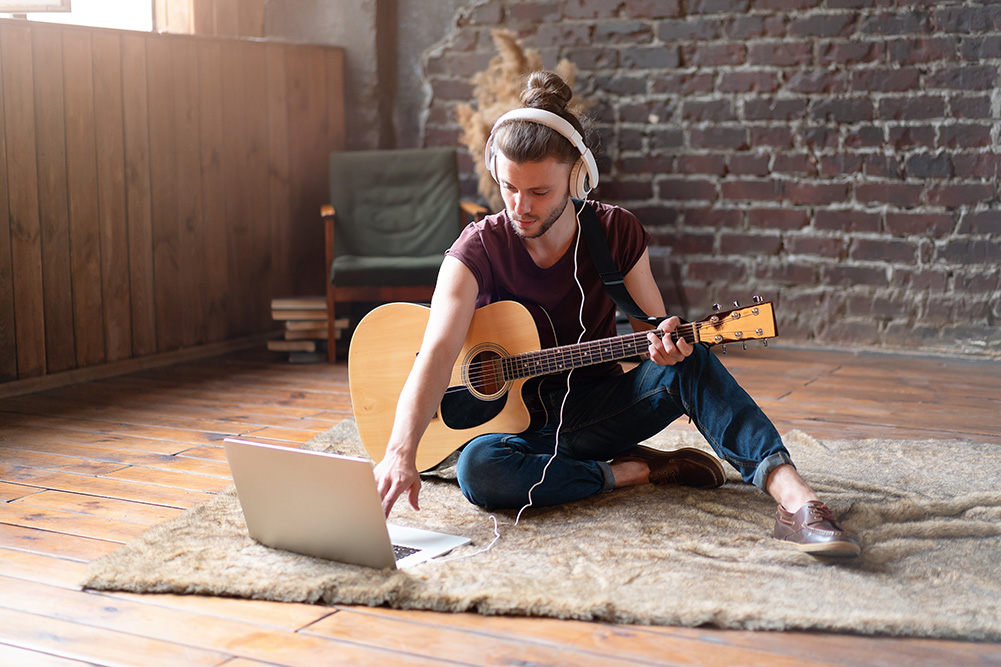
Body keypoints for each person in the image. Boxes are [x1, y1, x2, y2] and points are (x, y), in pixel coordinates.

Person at [373, 70, 859, 558]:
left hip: (600, 411)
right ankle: (634, 471)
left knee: (690, 363)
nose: (520, 206)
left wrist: (668, 348)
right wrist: (401, 453)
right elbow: (435, 355)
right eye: (508, 187)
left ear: (577, 177)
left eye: (539, 192)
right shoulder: (476, 250)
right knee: (478, 469)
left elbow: (655, 332)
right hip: (518, 430)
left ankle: (798, 503)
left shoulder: (615, 232)